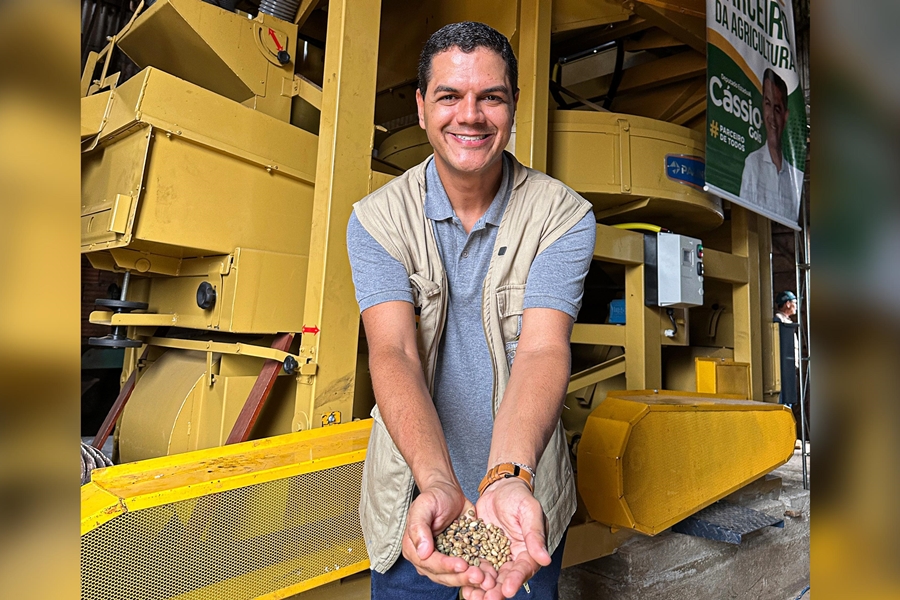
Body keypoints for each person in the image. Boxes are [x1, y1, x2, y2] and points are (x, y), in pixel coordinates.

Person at [346, 22, 596, 600]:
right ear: (421, 106)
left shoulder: (561, 216)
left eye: (491, 97)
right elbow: (394, 352)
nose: (471, 116)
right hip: (416, 510)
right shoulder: (376, 221)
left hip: (519, 512)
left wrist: (506, 478)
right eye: (450, 96)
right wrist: (436, 481)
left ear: (513, 105)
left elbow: (541, 349)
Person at [739, 68, 804, 223]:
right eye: (768, 104)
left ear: (785, 116)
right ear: (762, 107)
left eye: (777, 109)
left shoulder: (794, 177)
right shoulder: (752, 164)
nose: (772, 117)